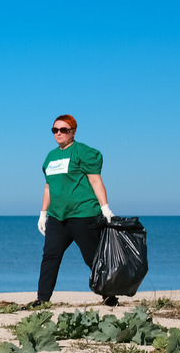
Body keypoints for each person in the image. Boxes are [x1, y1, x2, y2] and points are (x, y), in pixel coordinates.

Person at [30, 114, 117, 308]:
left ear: (73, 132)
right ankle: (42, 299)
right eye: (55, 130)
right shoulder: (51, 157)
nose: (58, 133)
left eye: (63, 130)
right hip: (57, 217)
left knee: (92, 257)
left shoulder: (83, 152)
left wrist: (105, 208)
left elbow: (95, 180)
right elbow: (48, 187)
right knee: (50, 256)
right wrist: (43, 214)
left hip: (83, 214)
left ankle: (109, 296)